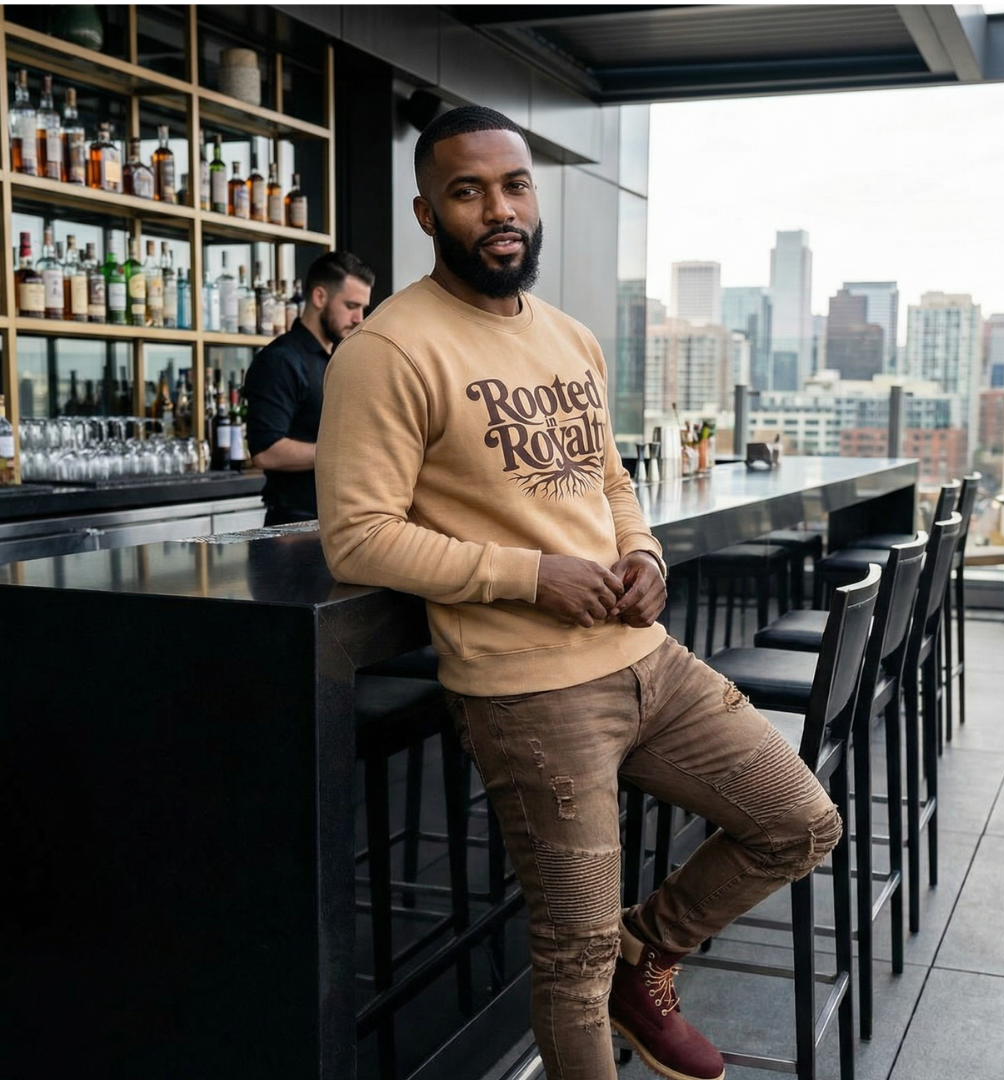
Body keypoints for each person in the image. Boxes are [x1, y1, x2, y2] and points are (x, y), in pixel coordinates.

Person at [316, 106, 842, 1080]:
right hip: (528, 690)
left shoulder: (572, 339)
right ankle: (617, 964)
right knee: (572, 956)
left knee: (801, 821)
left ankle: (652, 952)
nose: (498, 209)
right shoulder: (384, 352)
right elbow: (357, 538)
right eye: (468, 192)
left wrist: (645, 554)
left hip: (648, 663)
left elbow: (607, 481)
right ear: (428, 213)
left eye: (513, 186)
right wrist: (530, 574)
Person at [245, 251, 374, 526]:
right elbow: (266, 452)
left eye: (363, 308)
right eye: (351, 305)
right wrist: (345, 453)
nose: (359, 318)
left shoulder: (340, 359)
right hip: (293, 528)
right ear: (319, 297)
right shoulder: (279, 361)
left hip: (340, 522)